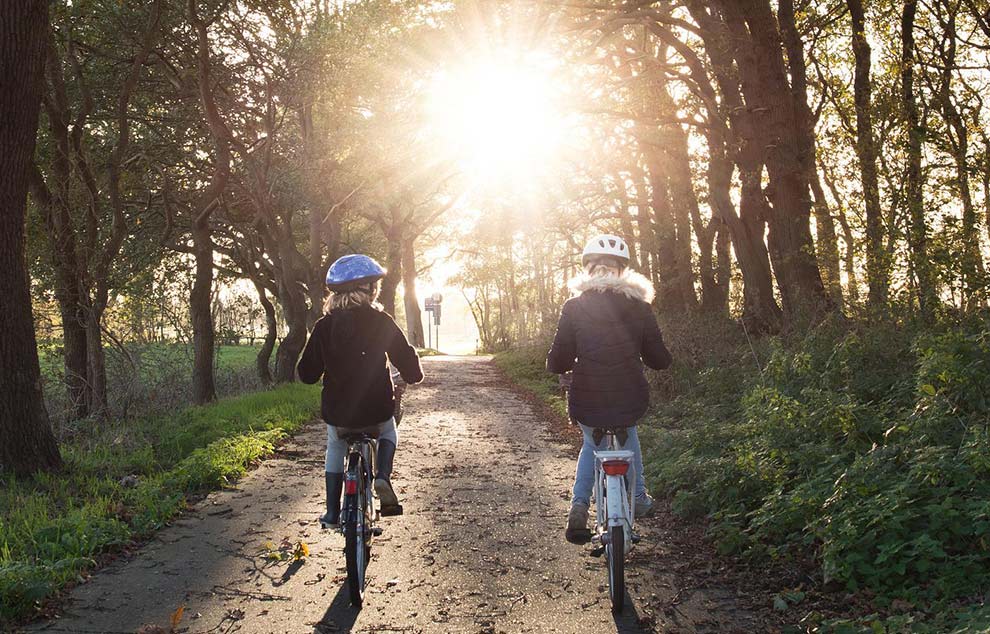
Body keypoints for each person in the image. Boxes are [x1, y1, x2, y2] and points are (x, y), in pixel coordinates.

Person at [546, 234, 672, 544]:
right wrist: (654, 356)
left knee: (592, 442)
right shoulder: (640, 306)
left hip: (586, 396)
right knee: (629, 431)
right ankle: (638, 495)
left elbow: (559, 357)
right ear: (622, 271)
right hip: (630, 393)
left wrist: (557, 365)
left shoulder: (574, 306)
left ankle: (578, 506)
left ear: (588, 270)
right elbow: (659, 359)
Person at [298, 254, 424, 528]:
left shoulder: (323, 327)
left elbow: (306, 375)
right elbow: (410, 367)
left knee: (335, 444)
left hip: (338, 414)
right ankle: (382, 477)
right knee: (389, 430)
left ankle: (332, 512)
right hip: (376, 410)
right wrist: (411, 372)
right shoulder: (382, 322)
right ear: (370, 290)